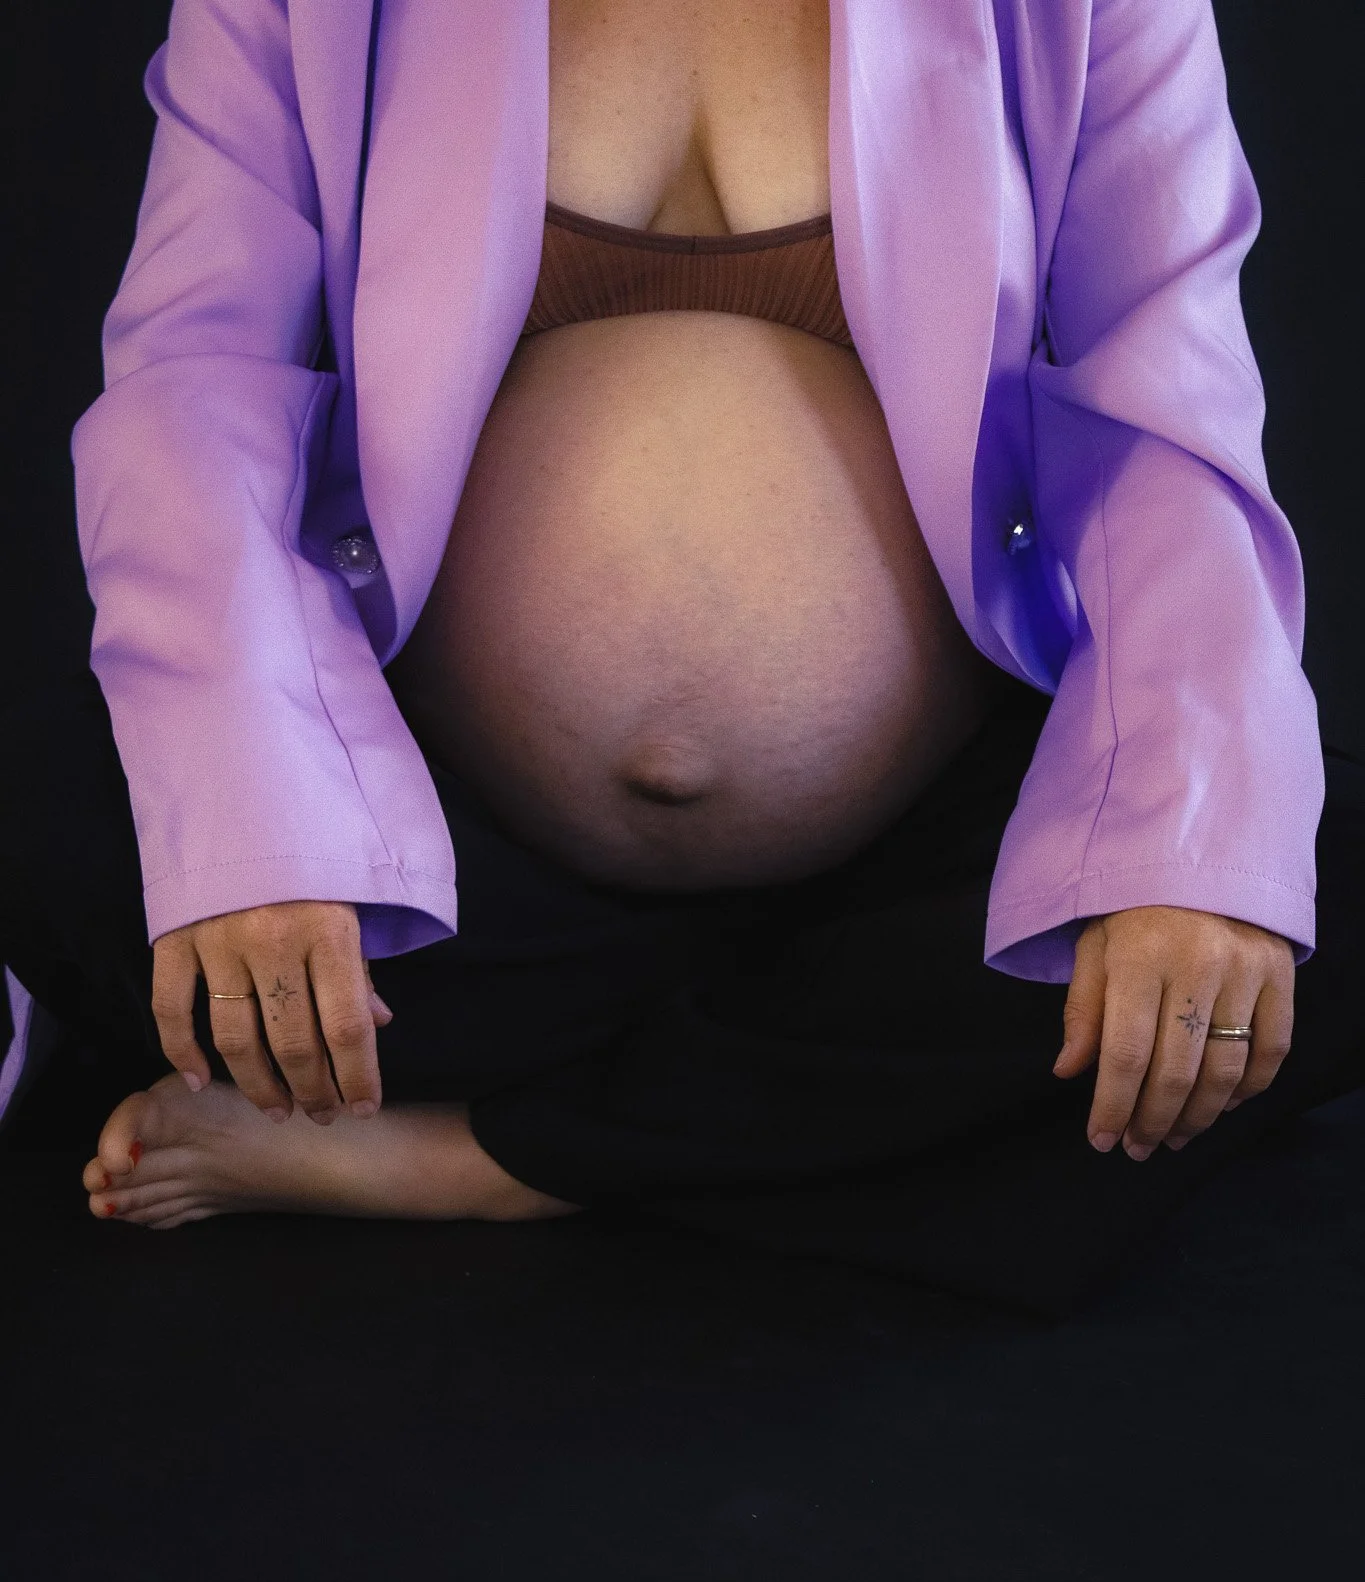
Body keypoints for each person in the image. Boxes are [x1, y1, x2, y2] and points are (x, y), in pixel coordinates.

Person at [6, 0, 1362, 1308]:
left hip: (921, 864)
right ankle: (776, 1116)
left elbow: (1163, 406)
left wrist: (1177, 842)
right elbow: (198, 381)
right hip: (461, 889)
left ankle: (487, 1161)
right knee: (51, 796)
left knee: (1292, 880)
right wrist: (267, 822)